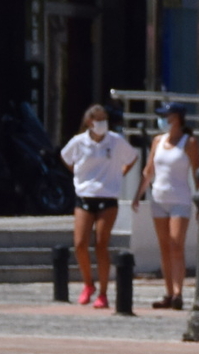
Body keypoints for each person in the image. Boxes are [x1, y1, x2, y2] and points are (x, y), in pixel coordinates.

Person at [61, 103, 139, 308]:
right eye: (98, 120)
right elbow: (66, 158)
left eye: (105, 119)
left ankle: (103, 292)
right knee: (80, 243)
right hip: (85, 195)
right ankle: (88, 283)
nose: (102, 124)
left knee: (101, 243)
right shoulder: (79, 142)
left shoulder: (116, 141)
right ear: (89, 122)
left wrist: (119, 174)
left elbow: (132, 157)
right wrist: (80, 176)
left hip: (107, 195)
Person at [133, 101, 197, 310]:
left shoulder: (189, 143)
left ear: (177, 118)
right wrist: (138, 195)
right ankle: (168, 292)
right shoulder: (157, 141)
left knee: (176, 244)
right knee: (164, 247)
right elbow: (149, 170)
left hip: (180, 199)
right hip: (158, 198)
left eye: (167, 116)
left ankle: (179, 292)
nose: (163, 120)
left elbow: (197, 173)